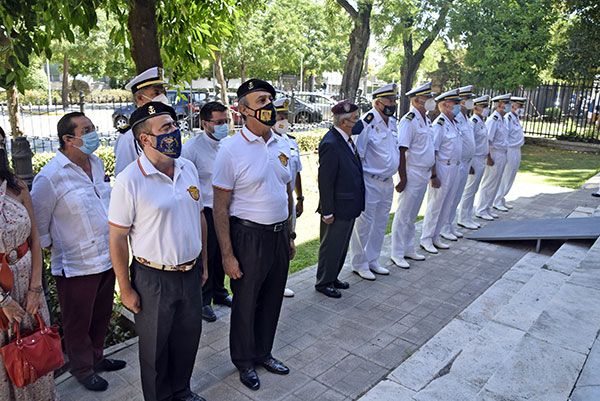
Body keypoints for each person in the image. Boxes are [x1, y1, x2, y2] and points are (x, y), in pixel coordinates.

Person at [109, 102, 208, 401]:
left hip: (190, 274)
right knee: (155, 349)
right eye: (165, 128)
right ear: (145, 139)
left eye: (174, 126)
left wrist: (203, 263)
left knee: (188, 339)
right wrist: (125, 288)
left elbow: (199, 216)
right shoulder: (130, 181)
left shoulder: (187, 167)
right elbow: (116, 238)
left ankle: (182, 390)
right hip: (153, 279)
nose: (174, 132)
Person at [31, 113, 126, 392]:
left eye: (93, 127)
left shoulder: (96, 163)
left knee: (101, 314)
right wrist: (59, 245)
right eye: (87, 129)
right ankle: (82, 368)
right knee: (78, 321)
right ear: (68, 139)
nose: (94, 133)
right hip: (75, 265)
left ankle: (97, 357)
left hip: (106, 258)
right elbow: (39, 225)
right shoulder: (50, 177)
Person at [212, 79, 294, 391]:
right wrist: (227, 254)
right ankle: (244, 361)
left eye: (270, 100)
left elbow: (285, 191)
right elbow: (220, 208)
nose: (269, 106)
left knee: (272, 298)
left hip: (277, 237)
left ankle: (264, 352)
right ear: (243, 110)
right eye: (261, 101)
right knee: (245, 303)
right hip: (248, 238)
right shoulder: (230, 150)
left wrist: (289, 234)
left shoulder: (281, 142)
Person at [0, 127, 56, 400]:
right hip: (1, 294)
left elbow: (35, 239)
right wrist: (3, 301)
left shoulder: (17, 186)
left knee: (35, 351)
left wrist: (35, 288)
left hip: (27, 284)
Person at [182, 101, 232, 323]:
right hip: (206, 210)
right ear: (204, 123)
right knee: (208, 256)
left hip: (227, 208)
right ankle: (204, 300)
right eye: (218, 122)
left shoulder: (228, 145)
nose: (223, 126)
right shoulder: (191, 148)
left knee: (224, 252)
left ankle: (221, 292)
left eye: (226, 121)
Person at [348, 84, 399, 280]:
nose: (393, 104)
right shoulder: (365, 123)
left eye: (394, 100)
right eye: (390, 101)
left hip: (388, 182)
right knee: (364, 224)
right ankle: (359, 263)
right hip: (370, 181)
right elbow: (357, 155)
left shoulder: (392, 122)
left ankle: (373, 259)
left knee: (380, 222)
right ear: (378, 103)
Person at [316, 100, 365, 296]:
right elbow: (325, 181)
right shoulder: (331, 143)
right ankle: (323, 282)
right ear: (344, 122)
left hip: (348, 205)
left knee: (341, 245)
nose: (358, 122)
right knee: (331, 246)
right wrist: (327, 210)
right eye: (355, 119)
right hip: (336, 207)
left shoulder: (345, 140)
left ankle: (333, 277)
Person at [390, 82, 436, 268]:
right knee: (404, 214)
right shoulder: (408, 120)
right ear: (417, 100)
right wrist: (403, 177)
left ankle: (408, 248)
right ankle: (397, 252)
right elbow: (402, 150)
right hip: (413, 172)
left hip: (424, 172)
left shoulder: (426, 119)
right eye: (427, 98)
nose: (431, 101)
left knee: (413, 214)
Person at [419, 89, 462, 254]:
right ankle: (426, 238)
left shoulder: (454, 123)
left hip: (454, 167)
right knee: (435, 204)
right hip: (442, 167)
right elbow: (434, 151)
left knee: (447, 203)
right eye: (455, 103)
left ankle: (436, 236)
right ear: (445, 105)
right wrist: (434, 174)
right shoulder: (439, 124)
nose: (458, 106)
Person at [273, 98, 304, 297]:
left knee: (288, 241)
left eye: (285, 115)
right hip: (274, 202)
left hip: (290, 200)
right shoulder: (267, 142)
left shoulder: (291, 141)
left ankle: (281, 282)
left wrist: (300, 198)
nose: (283, 119)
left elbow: (297, 172)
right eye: (279, 115)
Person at [114, 67, 168, 176]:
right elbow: (123, 176)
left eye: (163, 92)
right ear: (140, 99)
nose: (162, 97)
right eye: (156, 93)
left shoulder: (169, 128)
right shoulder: (129, 137)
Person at [441, 85, 476, 241]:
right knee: (450, 197)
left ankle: (450, 225)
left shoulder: (464, 117)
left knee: (456, 196)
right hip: (456, 162)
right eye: (466, 99)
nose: (469, 102)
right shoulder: (455, 118)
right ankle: (444, 227)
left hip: (464, 162)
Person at [476, 93, 512, 221]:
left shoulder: (502, 119)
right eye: (506, 103)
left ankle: (488, 207)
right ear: (499, 105)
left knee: (496, 182)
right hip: (494, 154)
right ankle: (481, 209)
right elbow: (488, 140)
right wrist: (489, 157)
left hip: (502, 153)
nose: (508, 106)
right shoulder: (493, 120)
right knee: (489, 182)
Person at [458, 95, 490, 229]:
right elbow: (470, 144)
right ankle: (463, 217)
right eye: (484, 106)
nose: (486, 109)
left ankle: (468, 217)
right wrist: (470, 163)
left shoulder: (480, 121)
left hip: (481, 158)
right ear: (476, 107)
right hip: (474, 159)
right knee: (469, 190)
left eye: (486, 106)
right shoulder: (473, 122)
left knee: (474, 189)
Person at [494, 96, 527, 211]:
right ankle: (497, 200)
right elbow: (505, 135)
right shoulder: (508, 117)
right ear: (513, 105)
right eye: (520, 106)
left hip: (517, 149)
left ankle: (502, 198)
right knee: (505, 175)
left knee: (511, 175)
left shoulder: (515, 117)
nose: (521, 108)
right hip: (510, 149)